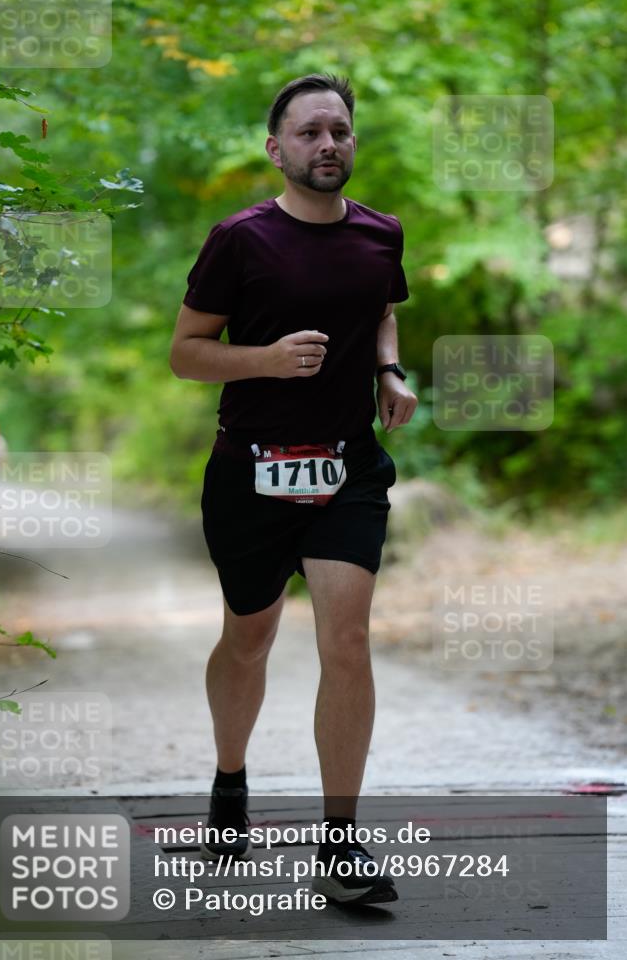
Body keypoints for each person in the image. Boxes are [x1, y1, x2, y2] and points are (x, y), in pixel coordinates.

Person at [169, 73, 418, 906]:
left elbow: (380, 304)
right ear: (276, 149)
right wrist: (266, 360)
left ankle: (340, 841)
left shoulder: (382, 235)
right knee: (249, 638)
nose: (328, 145)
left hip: (347, 465)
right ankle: (230, 778)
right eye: (309, 133)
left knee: (345, 641)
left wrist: (388, 368)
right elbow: (187, 352)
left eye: (339, 131)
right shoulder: (238, 239)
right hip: (250, 467)